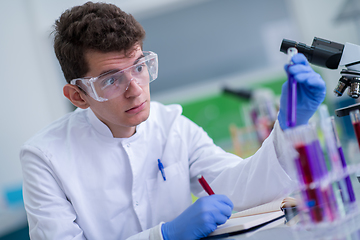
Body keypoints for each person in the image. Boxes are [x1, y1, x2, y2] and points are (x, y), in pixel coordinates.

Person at [19, 2, 326, 240]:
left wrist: (288, 126)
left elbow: (240, 189)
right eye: (112, 80)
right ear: (78, 96)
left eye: (139, 67)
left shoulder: (171, 125)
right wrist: (164, 235)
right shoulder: (45, 158)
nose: (135, 90)